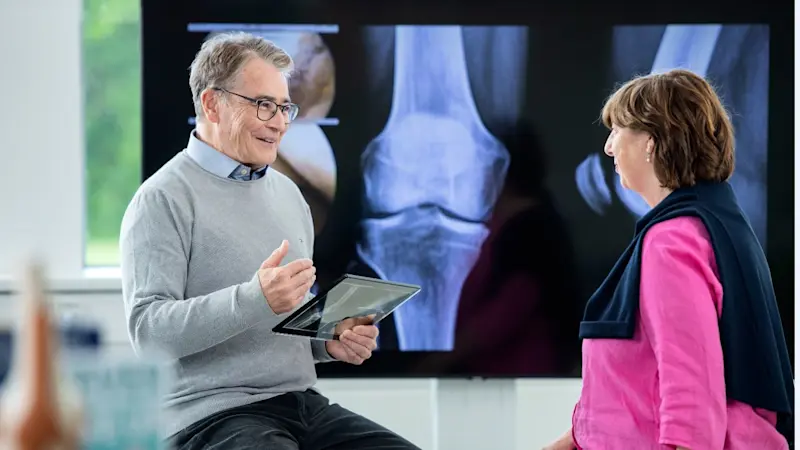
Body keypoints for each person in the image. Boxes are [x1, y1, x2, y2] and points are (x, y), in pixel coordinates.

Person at [120, 32, 419, 450]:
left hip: (301, 404)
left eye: (284, 107)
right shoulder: (161, 199)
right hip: (210, 415)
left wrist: (330, 341)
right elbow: (149, 334)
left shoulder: (289, 194)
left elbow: (281, 325)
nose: (279, 122)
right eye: (263, 105)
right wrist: (253, 298)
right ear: (212, 104)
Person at [544, 69, 793, 450]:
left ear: (652, 141)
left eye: (618, 130)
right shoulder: (716, 225)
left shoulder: (670, 243)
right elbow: (634, 398)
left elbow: (691, 410)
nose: (608, 147)